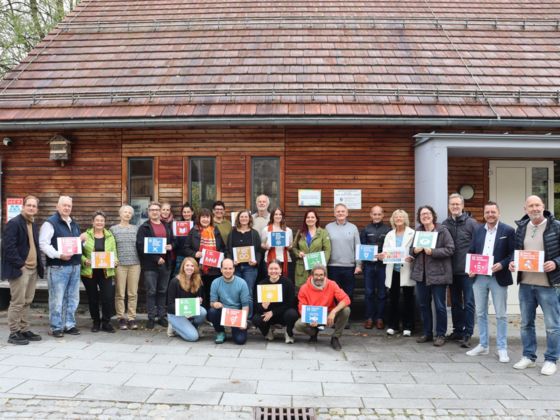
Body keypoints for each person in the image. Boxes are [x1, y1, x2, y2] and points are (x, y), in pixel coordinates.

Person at [508, 195, 560, 376]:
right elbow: (517, 252)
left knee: (552, 325)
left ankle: (551, 359)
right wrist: (513, 262)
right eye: (531, 206)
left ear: (543, 206)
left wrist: (556, 263)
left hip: (548, 285)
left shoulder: (556, 226)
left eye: (537, 205)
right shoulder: (522, 228)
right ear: (526, 209)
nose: (534, 208)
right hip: (526, 284)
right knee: (526, 324)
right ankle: (528, 357)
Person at [466, 202, 515, 363]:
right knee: (480, 312)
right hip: (479, 277)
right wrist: (470, 268)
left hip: (498, 277)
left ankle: (502, 348)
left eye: (493, 212)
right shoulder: (478, 230)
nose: (490, 215)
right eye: (487, 212)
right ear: (484, 214)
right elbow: (472, 251)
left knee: (500, 314)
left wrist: (502, 264)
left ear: (498, 213)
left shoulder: (508, 230)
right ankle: (483, 345)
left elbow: (513, 253)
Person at [410, 205, 455, 347]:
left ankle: (441, 334)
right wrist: (415, 250)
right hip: (421, 275)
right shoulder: (418, 231)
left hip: (438, 275)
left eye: (427, 213)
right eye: (422, 214)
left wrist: (433, 252)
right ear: (419, 217)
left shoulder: (442, 230)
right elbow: (411, 251)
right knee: (423, 305)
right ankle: (427, 333)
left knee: (440, 306)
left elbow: (450, 249)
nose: (425, 216)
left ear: (433, 215)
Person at [2, 195, 44, 345]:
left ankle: (24, 329)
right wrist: (21, 265)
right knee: (17, 302)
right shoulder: (14, 223)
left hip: (32, 269)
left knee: (27, 301)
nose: (31, 208)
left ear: (36, 209)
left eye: (34, 206)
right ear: (23, 206)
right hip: (20, 270)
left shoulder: (32, 223)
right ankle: (14, 333)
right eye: (29, 205)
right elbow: (8, 247)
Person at [39, 195, 82, 338]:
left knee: (73, 298)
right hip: (58, 267)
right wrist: (58, 255)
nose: (67, 208)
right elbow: (43, 244)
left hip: (74, 266)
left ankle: (69, 325)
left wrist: (82, 241)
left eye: (69, 205)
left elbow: (75, 244)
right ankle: (56, 326)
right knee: (57, 299)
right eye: (64, 205)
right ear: (57, 206)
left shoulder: (73, 223)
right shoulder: (50, 223)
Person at [442, 193, 479, 348]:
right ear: (449, 206)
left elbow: (478, 246)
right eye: (452, 204)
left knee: (469, 303)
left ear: (463, 206)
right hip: (451, 271)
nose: (455, 206)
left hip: (468, 272)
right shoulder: (445, 224)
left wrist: (475, 267)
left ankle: (468, 333)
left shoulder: (472, 224)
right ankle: (457, 330)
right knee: (455, 303)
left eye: (458, 204)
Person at [136, 201, 174, 329]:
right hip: (150, 266)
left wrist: (171, 246)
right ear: (148, 212)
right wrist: (156, 258)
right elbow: (141, 246)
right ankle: (151, 318)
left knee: (163, 291)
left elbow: (174, 241)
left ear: (160, 212)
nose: (154, 212)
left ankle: (161, 316)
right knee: (151, 292)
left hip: (166, 264)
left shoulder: (166, 226)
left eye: (157, 210)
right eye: (152, 210)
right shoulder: (144, 227)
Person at [295, 264, 351, 350]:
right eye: (316, 275)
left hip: (328, 315)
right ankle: (313, 333)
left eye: (321, 275)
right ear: (312, 275)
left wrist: (334, 311)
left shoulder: (332, 284)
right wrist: (310, 320)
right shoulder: (304, 288)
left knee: (346, 310)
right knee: (299, 325)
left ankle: (335, 337)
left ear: (325, 275)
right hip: (312, 315)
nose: (319, 277)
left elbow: (346, 299)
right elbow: (302, 308)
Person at [378, 209, 415, 337]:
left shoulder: (412, 233)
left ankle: (407, 326)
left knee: (408, 299)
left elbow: (415, 250)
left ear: (405, 219)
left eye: (401, 217)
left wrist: (412, 257)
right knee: (393, 299)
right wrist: (382, 256)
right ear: (393, 220)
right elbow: (385, 251)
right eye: (396, 217)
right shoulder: (389, 234)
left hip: (406, 269)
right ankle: (393, 325)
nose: (398, 219)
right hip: (393, 270)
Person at [81, 211, 117, 333]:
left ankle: (106, 322)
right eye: (97, 220)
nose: (99, 222)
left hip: (105, 272)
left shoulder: (110, 236)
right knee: (93, 298)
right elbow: (78, 252)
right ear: (93, 222)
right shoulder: (85, 236)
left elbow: (114, 252)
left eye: (102, 220)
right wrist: (84, 260)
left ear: (104, 222)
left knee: (107, 297)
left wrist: (115, 260)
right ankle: (96, 322)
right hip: (89, 272)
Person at [185, 208, 226, 308]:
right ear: (199, 218)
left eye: (207, 217)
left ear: (210, 218)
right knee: (200, 292)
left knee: (212, 292)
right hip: (198, 268)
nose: (205, 219)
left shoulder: (215, 230)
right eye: (203, 217)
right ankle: (201, 312)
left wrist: (218, 255)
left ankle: (211, 313)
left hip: (214, 269)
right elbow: (185, 248)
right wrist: (195, 254)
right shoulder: (193, 231)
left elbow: (222, 248)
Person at [360, 205, 391, 329]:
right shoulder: (366, 229)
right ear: (371, 215)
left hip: (383, 266)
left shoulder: (388, 230)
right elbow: (362, 247)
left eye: (379, 214)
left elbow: (390, 248)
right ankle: (369, 318)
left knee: (382, 293)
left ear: (383, 215)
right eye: (374, 214)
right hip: (369, 266)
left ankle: (380, 318)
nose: (377, 216)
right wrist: (362, 262)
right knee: (369, 293)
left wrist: (384, 255)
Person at [110, 205, 141, 330]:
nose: (127, 214)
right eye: (125, 212)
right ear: (120, 214)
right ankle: (121, 317)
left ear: (131, 215)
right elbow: (110, 246)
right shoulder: (113, 229)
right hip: (120, 265)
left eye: (129, 213)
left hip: (135, 264)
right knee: (120, 293)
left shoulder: (136, 229)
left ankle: (132, 317)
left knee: (133, 293)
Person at [252, 260, 298, 343]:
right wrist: (263, 307)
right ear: (268, 270)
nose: (273, 271)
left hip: (283, 314)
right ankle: (267, 332)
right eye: (271, 269)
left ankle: (288, 333)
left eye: (276, 269)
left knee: (292, 314)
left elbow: (290, 303)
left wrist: (273, 312)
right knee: (256, 319)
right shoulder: (262, 284)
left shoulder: (287, 283)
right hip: (267, 316)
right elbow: (256, 304)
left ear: (280, 270)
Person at [226, 209, 262, 316]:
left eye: (246, 217)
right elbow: (228, 250)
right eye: (241, 217)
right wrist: (231, 261)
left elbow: (259, 251)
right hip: (235, 268)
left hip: (250, 268)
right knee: (235, 292)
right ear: (238, 219)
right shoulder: (232, 233)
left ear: (249, 219)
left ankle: (248, 317)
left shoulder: (254, 233)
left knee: (248, 292)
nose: (244, 219)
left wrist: (255, 261)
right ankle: (236, 316)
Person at [207, 258, 251, 344]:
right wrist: (215, 304)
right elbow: (212, 302)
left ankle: (246, 324)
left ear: (234, 269)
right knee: (212, 311)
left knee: (240, 340)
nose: (228, 271)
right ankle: (220, 332)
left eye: (230, 268)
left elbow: (245, 305)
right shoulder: (215, 282)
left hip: (237, 314)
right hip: (223, 311)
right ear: (221, 269)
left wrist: (243, 321)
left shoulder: (242, 283)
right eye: (225, 268)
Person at [326, 203, 361, 302]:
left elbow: (358, 247)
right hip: (333, 266)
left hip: (349, 267)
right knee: (334, 294)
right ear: (334, 213)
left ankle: (347, 312)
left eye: (342, 211)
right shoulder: (328, 227)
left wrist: (358, 265)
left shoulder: (353, 227)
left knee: (348, 293)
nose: (340, 213)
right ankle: (336, 312)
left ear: (347, 213)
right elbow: (325, 246)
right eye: (338, 211)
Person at [166, 257, 207, 342]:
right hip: (176, 313)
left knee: (203, 312)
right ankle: (173, 326)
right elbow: (170, 306)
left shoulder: (198, 281)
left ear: (195, 268)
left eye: (192, 266)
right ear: (183, 267)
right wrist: (184, 311)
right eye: (187, 265)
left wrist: (199, 300)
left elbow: (199, 299)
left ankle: (191, 327)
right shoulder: (175, 281)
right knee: (193, 337)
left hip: (190, 312)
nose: (189, 268)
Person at [292, 209, 331, 288]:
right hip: (302, 268)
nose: (310, 219)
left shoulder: (323, 233)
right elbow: (294, 247)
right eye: (308, 217)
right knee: (303, 290)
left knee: (318, 289)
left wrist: (322, 266)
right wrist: (298, 253)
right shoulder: (300, 232)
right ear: (305, 219)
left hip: (318, 268)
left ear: (316, 219)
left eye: (312, 217)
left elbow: (327, 250)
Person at [261, 207, 293, 276]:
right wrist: (266, 247)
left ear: (282, 216)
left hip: (285, 260)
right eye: (276, 214)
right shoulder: (266, 229)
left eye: (280, 214)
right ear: (272, 216)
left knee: (284, 280)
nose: (278, 216)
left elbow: (291, 246)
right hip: (269, 260)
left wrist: (288, 246)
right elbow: (262, 244)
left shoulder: (288, 230)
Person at [173, 202, 196, 276]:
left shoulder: (196, 225)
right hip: (181, 255)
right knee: (179, 277)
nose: (186, 214)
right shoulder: (177, 225)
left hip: (193, 256)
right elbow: (175, 242)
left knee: (193, 277)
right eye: (184, 212)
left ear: (192, 212)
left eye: (188, 212)